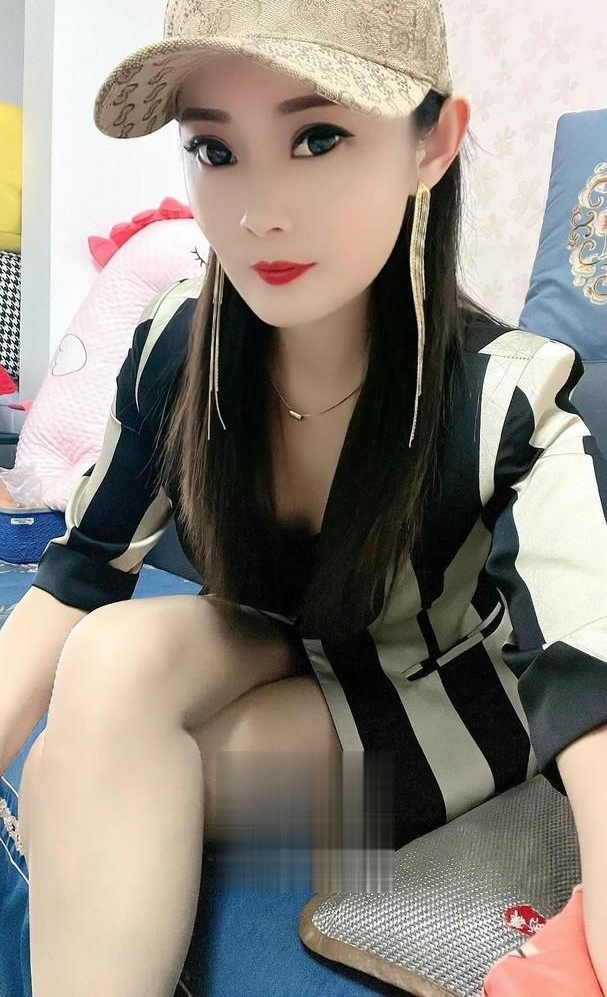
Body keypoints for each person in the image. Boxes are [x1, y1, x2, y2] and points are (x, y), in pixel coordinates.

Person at [1, 0, 606, 994]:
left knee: (93, 766)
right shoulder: (178, 346)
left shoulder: (505, 396)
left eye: (317, 137)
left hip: (440, 697)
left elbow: (588, 672)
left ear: (431, 145)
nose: (260, 211)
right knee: (106, 661)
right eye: (215, 148)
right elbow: (80, 575)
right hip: (273, 637)